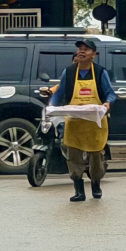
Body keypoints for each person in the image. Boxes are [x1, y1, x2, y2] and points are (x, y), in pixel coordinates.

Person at [48, 38, 115, 202]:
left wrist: (107, 104)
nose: (82, 51)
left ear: (94, 54)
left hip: (95, 122)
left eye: (86, 49)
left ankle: (96, 184)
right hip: (74, 121)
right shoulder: (69, 72)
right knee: (73, 156)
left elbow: (110, 93)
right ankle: (79, 190)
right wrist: (51, 106)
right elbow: (59, 93)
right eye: (80, 49)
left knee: (96, 157)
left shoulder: (100, 72)